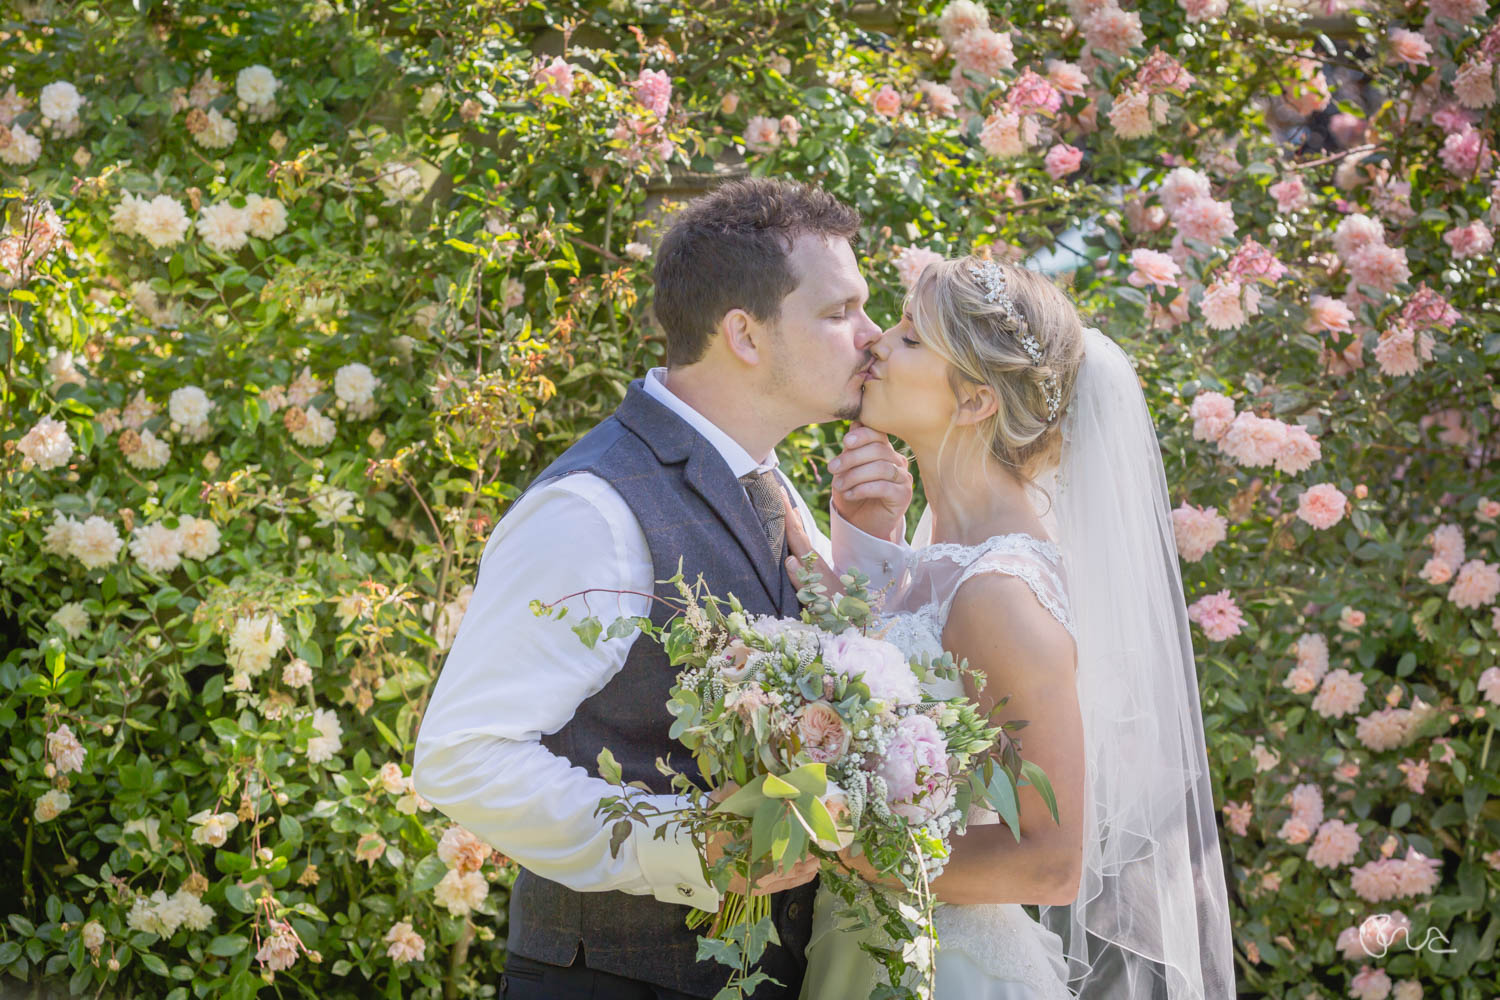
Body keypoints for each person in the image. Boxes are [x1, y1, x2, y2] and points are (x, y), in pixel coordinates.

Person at [411, 177, 915, 1000]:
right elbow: (461, 758)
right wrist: (687, 846)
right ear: (745, 335)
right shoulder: (593, 508)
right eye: (838, 312)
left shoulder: (775, 487)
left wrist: (872, 542)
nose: (871, 337)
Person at [790, 255, 1237, 999]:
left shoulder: (1000, 591)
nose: (875, 346)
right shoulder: (943, 551)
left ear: (972, 403)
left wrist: (849, 847)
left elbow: (1051, 864)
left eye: (908, 339)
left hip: (950, 971)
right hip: (876, 955)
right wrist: (868, 548)